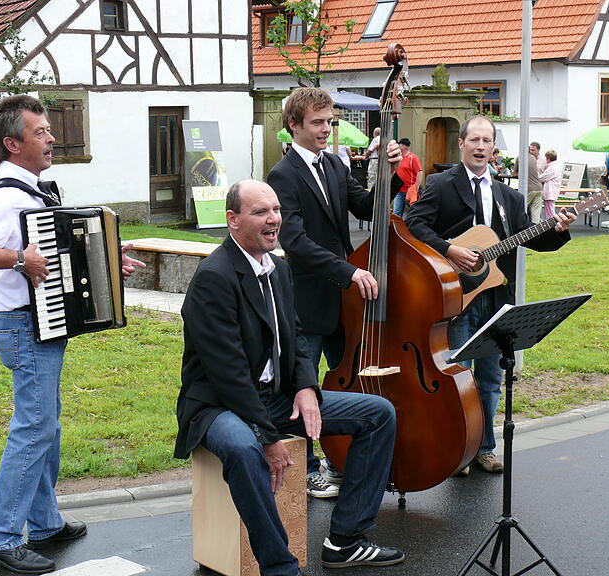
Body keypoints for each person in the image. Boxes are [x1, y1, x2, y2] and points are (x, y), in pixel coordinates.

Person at [0, 94, 145, 575]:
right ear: (12, 143)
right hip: (23, 327)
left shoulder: (32, 190)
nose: (51, 138)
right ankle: (1, 538)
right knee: (33, 430)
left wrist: (111, 262)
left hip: (39, 327)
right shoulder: (9, 194)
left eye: (49, 130)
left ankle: (45, 521)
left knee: (45, 427)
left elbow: (62, 251)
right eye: (39, 133)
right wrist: (19, 260)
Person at [173, 179, 405, 575]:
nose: (273, 219)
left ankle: (346, 540)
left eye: (276, 210)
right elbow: (227, 374)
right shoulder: (214, 277)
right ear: (232, 220)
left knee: (379, 413)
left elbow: (296, 336)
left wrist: (305, 388)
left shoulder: (278, 268)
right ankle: (281, 567)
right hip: (218, 406)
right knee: (246, 450)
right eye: (260, 212)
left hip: (276, 397)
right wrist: (268, 437)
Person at [404, 116, 576, 475]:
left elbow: (530, 236)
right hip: (456, 295)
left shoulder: (508, 196)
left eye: (488, 141)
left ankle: (483, 447)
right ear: (462, 145)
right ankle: (457, 449)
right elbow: (414, 225)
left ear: (494, 149)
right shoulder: (440, 184)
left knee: (489, 377)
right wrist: (449, 249)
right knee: (457, 374)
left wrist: (557, 229)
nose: (481, 147)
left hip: (497, 298)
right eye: (475, 140)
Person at [267, 87, 401, 498]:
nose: (327, 129)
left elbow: (366, 206)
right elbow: (295, 240)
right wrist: (348, 270)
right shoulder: (282, 175)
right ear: (294, 126)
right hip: (309, 300)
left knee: (347, 384)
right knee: (302, 385)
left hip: (345, 299)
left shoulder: (335, 164)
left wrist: (389, 172)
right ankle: (306, 469)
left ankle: (343, 459)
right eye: (318, 123)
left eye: (330, 122)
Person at [513, 141, 544, 223]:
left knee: (521, 209)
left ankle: (520, 228)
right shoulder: (533, 158)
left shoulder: (519, 158)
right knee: (536, 214)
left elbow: (514, 173)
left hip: (529, 188)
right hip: (539, 188)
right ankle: (536, 232)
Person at [394, 137, 423, 216]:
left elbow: (419, 173)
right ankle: (397, 228)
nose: (397, 146)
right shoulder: (398, 157)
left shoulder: (413, 158)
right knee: (396, 213)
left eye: (399, 144)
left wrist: (416, 188)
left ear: (404, 146)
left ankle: (410, 228)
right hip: (399, 190)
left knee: (412, 214)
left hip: (410, 191)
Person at [538, 150, 562, 219]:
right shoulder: (555, 167)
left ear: (548, 159)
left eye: (546, 158)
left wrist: (535, 177)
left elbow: (542, 177)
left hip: (550, 192)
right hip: (552, 192)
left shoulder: (552, 168)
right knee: (550, 210)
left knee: (550, 212)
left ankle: (551, 226)